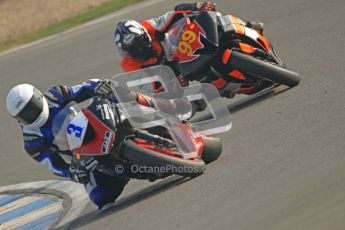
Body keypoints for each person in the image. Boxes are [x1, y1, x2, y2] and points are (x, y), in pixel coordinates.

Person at [6, 80, 156, 211]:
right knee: (101, 198)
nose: (31, 114)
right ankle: (128, 169)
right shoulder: (32, 141)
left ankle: (154, 105)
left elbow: (84, 88)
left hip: (94, 124)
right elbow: (55, 166)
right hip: (85, 156)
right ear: (18, 119)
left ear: (38, 96)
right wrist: (72, 173)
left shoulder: (55, 95)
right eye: (24, 114)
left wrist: (99, 86)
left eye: (32, 107)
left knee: (113, 91)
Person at [114, 2, 265, 97]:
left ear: (145, 34)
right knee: (213, 87)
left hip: (182, 45)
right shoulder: (132, 68)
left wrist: (196, 7)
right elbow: (155, 88)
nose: (141, 50)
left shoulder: (150, 26)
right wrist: (173, 82)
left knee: (217, 18)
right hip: (179, 72)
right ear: (127, 53)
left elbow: (174, 14)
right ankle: (232, 86)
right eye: (135, 50)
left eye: (141, 43)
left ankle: (247, 26)